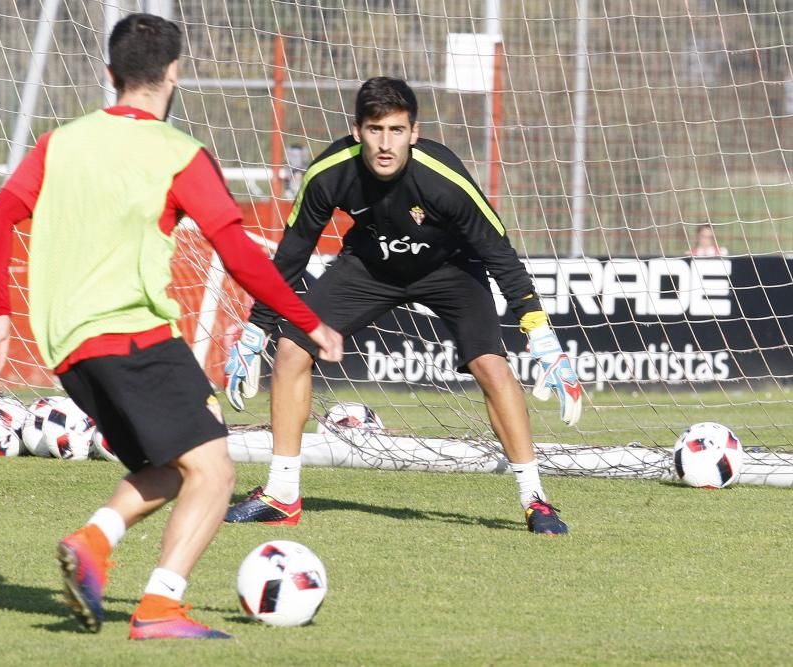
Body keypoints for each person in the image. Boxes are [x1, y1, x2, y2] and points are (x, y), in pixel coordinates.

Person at [0, 13, 342, 640]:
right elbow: (237, 252)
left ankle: (94, 541)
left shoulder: (61, 142)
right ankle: (161, 606)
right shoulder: (178, 155)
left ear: (111, 76)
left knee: (174, 467)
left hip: (67, 346)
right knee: (215, 471)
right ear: (175, 72)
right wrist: (307, 320)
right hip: (133, 333)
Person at [223, 77, 582, 535]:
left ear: (414, 132)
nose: (386, 143)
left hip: (450, 269)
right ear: (357, 131)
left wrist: (542, 336)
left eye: (396, 130)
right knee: (293, 351)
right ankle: (282, 494)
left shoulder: (444, 179)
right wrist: (257, 329)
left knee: (492, 365)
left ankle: (536, 500)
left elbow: (499, 254)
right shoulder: (329, 172)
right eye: (375, 130)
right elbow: (293, 253)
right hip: (369, 266)